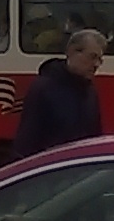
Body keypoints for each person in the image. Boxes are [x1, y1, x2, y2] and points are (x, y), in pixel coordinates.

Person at [11, 29, 106, 157]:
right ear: (72, 52)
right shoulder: (44, 88)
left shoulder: (90, 91)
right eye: (92, 57)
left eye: (100, 59)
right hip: (51, 169)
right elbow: (27, 140)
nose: (96, 64)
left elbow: (94, 135)